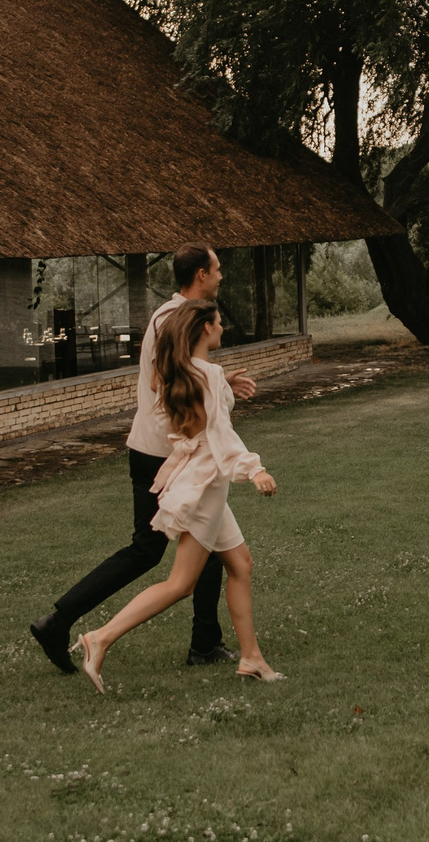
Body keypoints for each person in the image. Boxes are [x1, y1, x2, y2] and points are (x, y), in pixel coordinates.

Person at [30, 245, 256, 671]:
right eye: (219, 270)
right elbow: (164, 381)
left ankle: (205, 643)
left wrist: (220, 377)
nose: (222, 276)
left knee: (206, 545)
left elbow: (181, 371)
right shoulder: (172, 317)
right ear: (202, 275)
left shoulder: (177, 315)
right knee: (147, 551)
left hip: (173, 454)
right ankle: (59, 621)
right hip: (162, 455)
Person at [79, 296, 283, 690]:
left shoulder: (188, 370)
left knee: (240, 564)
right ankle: (98, 639)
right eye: (219, 321)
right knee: (181, 583)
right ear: (206, 328)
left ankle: (252, 659)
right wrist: (254, 469)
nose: (223, 327)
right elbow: (220, 434)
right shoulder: (206, 372)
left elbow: (205, 423)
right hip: (206, 483)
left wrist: (224, 386)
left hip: (202, 477)